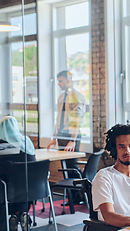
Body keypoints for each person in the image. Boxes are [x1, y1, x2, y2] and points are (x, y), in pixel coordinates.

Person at [46, 70, 86, 203]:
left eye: (60, 81)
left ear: (69, 81)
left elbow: (77, 120)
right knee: (65, 166)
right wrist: (54, 137)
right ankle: (72, 197)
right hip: (62, 136)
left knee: (72, 165)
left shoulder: (77, 97)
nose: (58, 84)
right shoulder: (61, 98)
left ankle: (79, 197)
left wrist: (72, 140)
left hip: (71, 136)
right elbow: (58, 119)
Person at [0, 116, 36, 231]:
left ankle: (13, 216)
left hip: (7, 189)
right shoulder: (26, 142)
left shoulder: (2, 146)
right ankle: (20, 213)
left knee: (5, 184)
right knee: (19, 182)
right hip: (31, 188)